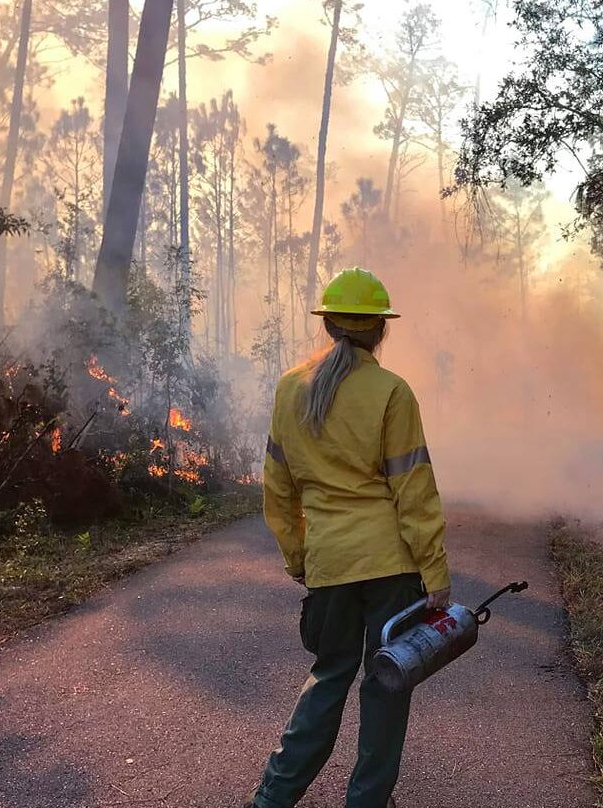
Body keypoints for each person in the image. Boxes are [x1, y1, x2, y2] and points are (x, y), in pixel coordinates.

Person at [245, 267, 449, 808]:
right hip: (392, 569)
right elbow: (414, 489)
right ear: (380, 329)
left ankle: (271, 800)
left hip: (330, 564)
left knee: (328, 676)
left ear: (329, 324)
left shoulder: (291, 388)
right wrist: (436, 572)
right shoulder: (391, 391)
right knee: (385, 686)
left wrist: (298, 557)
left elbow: (278, 487)